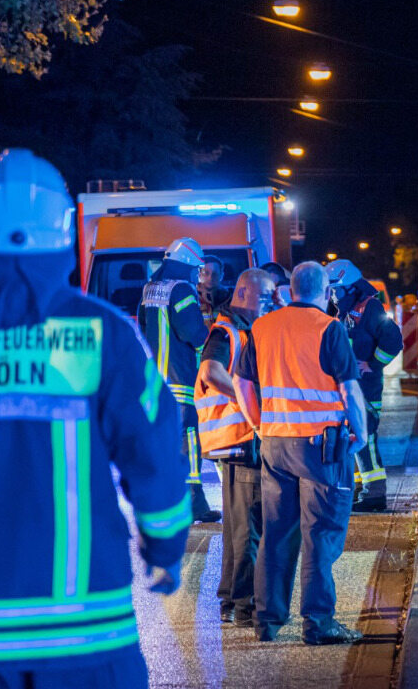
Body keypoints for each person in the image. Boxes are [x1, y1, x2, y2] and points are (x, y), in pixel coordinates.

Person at [0, 149, 190, 689]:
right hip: (90, 636)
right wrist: (164, 545)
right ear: (65, 235)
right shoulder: (103, 332)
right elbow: (156, 452)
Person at [233, 261, 367, 645]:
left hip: (275, 445)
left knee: (275, 533)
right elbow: (349, 391)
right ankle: (318, 622)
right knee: (321, 533)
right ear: (325, 293)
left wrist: (259, 425)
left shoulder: (262, 327)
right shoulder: (330, 328)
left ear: (291, 290)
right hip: (321, 449)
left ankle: (267, 621)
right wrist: (360, 433)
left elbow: (242, 384)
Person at [195, 268, 276, 628]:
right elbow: (211, 371)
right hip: (241, 439)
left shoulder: (239, 327)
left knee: (237, 526)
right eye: (267, 296)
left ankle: (230, 597)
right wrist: (249, 401)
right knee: (248, 527)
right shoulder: (228, 330)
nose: (271, 302)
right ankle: (245, 605)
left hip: (233, 442)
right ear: (244, 293)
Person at [138, 237, 221, 523]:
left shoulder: (150, 288)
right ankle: (195, 503)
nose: (198, 275)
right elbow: (193, 333)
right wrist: (213, 350)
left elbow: (143, 325)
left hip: (154, 380)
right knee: (188, 439)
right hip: (179, 380)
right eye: (196, 269)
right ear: (187, 263)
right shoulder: (182, 288)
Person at [326, 260, 404, 512]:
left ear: (351, 288)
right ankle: (362, 491)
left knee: (367, 439)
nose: (334, 297)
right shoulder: (347, 311)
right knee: (356, 440)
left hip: (366, 390)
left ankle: (375, 496)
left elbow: (393, 339)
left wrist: (373, 364)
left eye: (337, 291)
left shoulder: (370, 308)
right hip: (353, 388)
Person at [198, 254, 231, 324]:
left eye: (215, 274)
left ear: (221, 276)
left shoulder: (230, 299)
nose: (210, 278)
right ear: (199, 274)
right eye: (206, 273)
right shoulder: (192, 298)